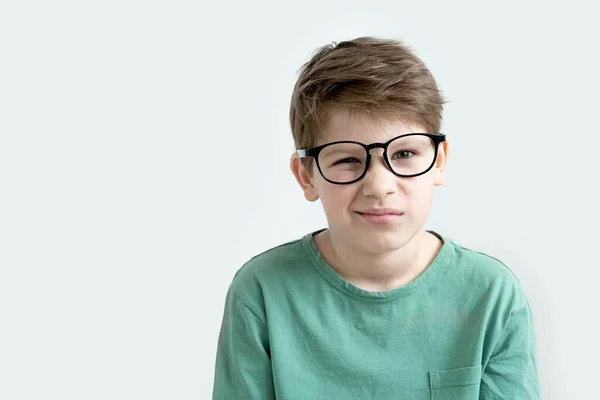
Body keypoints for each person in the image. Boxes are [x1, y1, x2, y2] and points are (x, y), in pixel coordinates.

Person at [212, 36, 539, 399]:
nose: (380, 186)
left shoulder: (491, 295)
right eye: (348, 159)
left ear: (440, 160)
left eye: (404, 153)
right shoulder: (262, 292)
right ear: (306, 175)